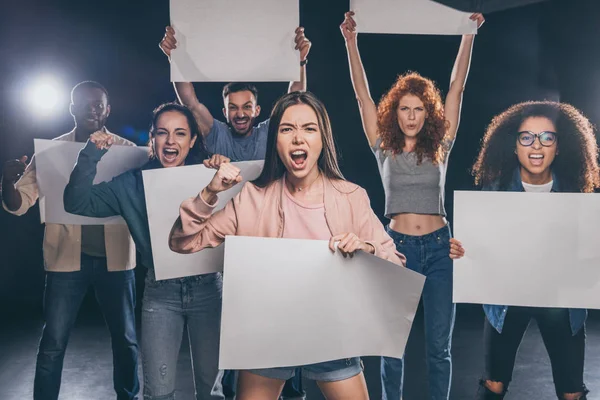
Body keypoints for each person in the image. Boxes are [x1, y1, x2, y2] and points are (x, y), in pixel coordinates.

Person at [168, 91, 406, 400]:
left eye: (309, 128)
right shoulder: (252, 198)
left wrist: (367, 249)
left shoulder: (351, 197)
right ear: (275, 141)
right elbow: (183, 242)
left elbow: (396, 263)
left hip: (331, 334)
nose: (297, 139)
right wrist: (210, 192)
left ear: (322, 139)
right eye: (286, 129)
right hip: (268, 336)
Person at [160, 23, 312, 399]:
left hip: (274, 234)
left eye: (247, 108)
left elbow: (297, 93)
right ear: (225, 111)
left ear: (258, 110)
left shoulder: (268, 130)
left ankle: (288, 385)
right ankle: (233, 386)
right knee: (233, 321)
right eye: (234, 108)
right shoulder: (217, 134)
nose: (241, 114)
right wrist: (174, 55)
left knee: (280, 314)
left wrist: (300, 59)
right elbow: (189, 98)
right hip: (230, 236)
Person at [340, 10, 484, 400]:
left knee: (439, 349)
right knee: (392, 348)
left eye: (418, 108)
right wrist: (351, 43)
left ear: (428, 113)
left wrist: (467, 36)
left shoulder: (441, 147)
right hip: (396, 249)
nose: (411, 115)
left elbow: (456, 88)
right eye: (404, 108)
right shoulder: (383, 147)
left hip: (439, 250)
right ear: (395, 112)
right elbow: (361, 94)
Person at [63, 103, 227, 400]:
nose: (170, 141)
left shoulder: (209, 177)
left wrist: (223, 174)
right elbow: (76, 202)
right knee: (159, 392)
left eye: (180, 133)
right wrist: (90, 154)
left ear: (192, 141)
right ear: (152, 138)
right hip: (160, 294)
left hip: (208, 291)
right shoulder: (132, 184)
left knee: (211, 391)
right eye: (162, 133)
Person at [1, 81, 139, 400]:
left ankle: (128, 397)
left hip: (116, 262)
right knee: (53, 343)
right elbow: (19, 203)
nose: (92, 110)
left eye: (98, 104)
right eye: (85, 104)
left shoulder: (129, 151)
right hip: (66, 261)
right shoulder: (49, 152)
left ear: (108, 110)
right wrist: (7, 182)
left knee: (127, 341)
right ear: (72, 109)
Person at [465, 101, 598, 400]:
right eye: (526, 137)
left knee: (572, 393)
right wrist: (464, 250)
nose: (536, 145)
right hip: (507, 299)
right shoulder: (495, 190)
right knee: (493, 385)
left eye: (547, 137)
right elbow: (482, 248)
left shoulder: (576, 193)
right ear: (513, 145)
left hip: (560, 302)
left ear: (559, 146)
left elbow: (587, 257)